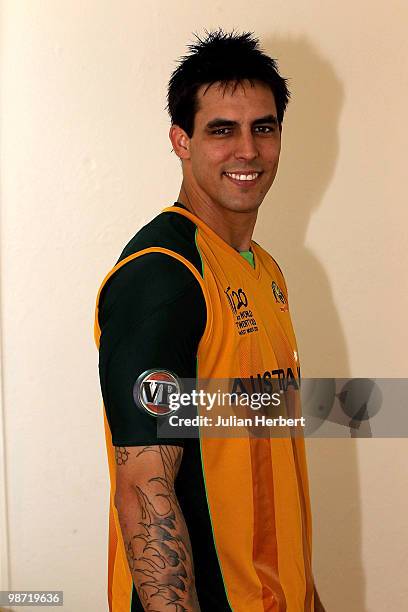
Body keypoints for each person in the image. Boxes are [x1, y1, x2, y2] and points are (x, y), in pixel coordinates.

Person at [94, 30, 325, 612]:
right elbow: (144, 484)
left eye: (263, 127)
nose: (247, 150)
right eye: (222, 130)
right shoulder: (163, 275)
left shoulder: (265, 270)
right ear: (181, 140)